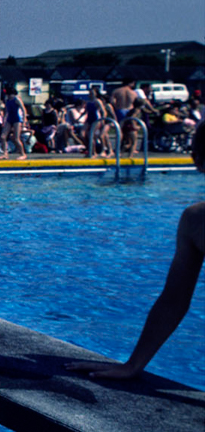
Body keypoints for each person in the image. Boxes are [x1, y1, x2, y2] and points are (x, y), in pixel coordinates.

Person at [67, 129, 205, 380]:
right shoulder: (194, 220)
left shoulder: (197, 222)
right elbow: (173, 300)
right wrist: (132, 365)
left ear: (196, 159)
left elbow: (174, 301)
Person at [0, 88, 28, 160]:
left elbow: (23, 110)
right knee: (3, 137)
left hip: (17, 119)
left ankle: (23, 154)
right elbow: (6, 111)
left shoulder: (16, 99)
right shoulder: (7, 100)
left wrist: (23, 121)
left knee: (16, 138)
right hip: (9, 119)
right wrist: (4, 121)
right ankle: (5, 154)